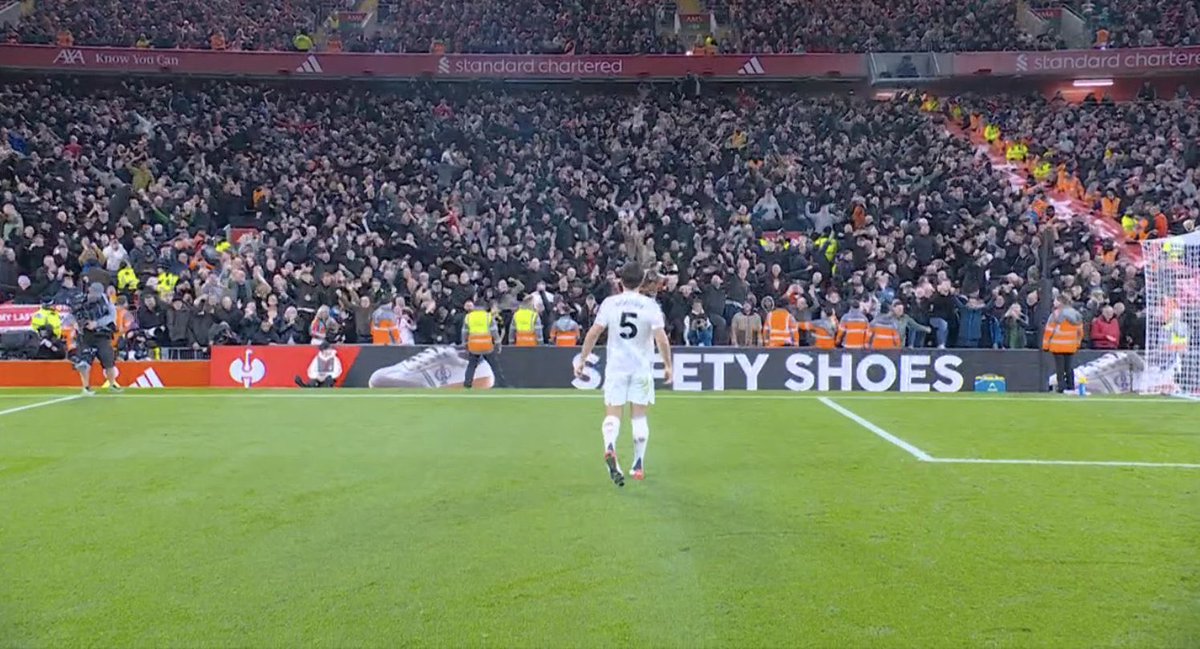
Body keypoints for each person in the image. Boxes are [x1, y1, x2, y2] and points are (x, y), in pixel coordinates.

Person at [575, 262, 673, 487]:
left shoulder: (610, 303)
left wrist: (583, 360)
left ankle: (610, 446)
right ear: (642, 281)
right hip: (641, 368)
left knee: (613, 413)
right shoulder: (650, 305)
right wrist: (668, 365)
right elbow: (661, 338)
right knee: (639, 416)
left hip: (616, 367)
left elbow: (594, 332)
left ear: (620, 281)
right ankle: (638, 464)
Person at [72, 283, 121, 394]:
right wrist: (77, 324)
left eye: (98, 294)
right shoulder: (80, 300)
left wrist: (97, 323)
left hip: (102, 335)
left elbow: (112, 317)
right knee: (84, 362)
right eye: (94, 293)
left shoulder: (107, 301)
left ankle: (112, 384)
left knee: (108, 360)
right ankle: (86, 387)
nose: (96, 296)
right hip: (85, 335)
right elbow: (72, 315)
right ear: (89, 291)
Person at [1043, 294, 1084, 393]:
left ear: (1060, 302)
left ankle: (1061, 388)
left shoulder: (1056, 314)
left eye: (1056, 301)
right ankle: (1071, 386)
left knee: (1060, 369)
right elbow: (1080, 332)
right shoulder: (1076, 314)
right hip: (1071, 346)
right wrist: (1077, 343)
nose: (1054, 302)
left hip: (1057, 345)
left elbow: (1049, 331)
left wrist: (1045, 345)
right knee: (1069, 368)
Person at [462, 300, 502, 389]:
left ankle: (467, 384)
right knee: (495, 366)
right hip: (486, 345)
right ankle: (501, 383)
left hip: (474, 346)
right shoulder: (488, 316)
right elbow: (494, 331)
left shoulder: (468, 317)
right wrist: (498, 344)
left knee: (471, 366)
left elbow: (464, 332)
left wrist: (465, 344)